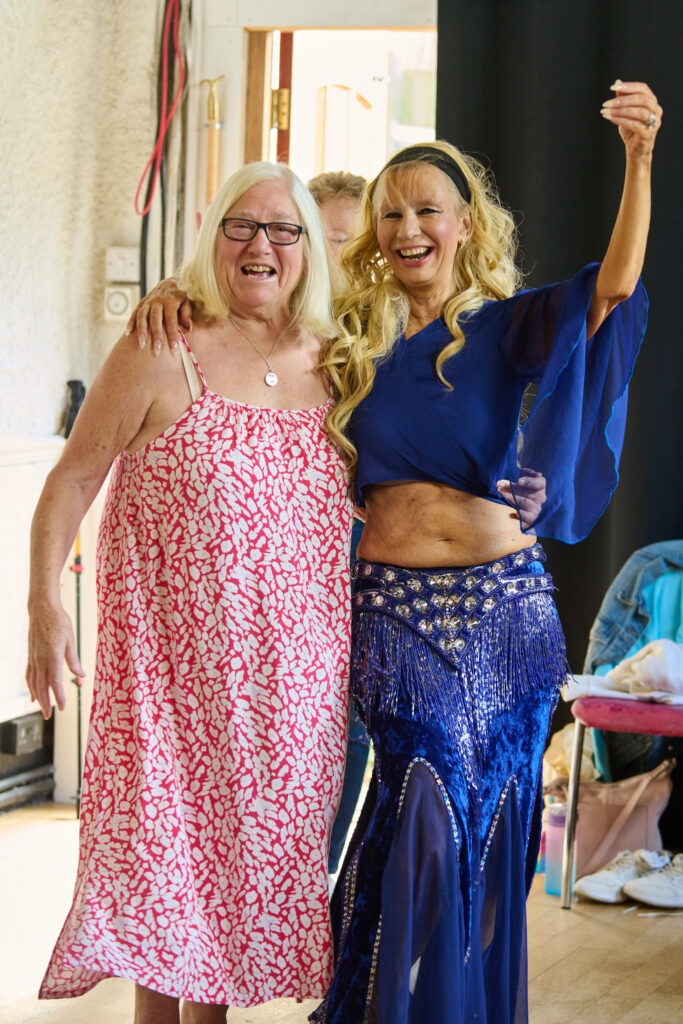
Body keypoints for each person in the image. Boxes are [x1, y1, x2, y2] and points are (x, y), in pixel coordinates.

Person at [133, 79, 661, 1023]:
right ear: (373, 235)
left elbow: (614, 287)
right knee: (417, 811)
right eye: (391, 214)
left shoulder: (508, 324)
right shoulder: (341, 340)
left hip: (506, 612)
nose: (408, 227)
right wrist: (179, 293)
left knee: (488, 833)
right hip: (393, 612)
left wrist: (639, 158)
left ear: (464, 225)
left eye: (428, 210)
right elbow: (247, 307)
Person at [25, 161, 354, 1024]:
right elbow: (71, 479)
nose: (260, 244)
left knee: (238, 902)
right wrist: (43, 607)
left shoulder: (341, 363)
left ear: (308, 249)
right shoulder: (161, 346)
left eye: (282, 229)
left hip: (290, 697)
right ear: (212, 238)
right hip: (167, 688)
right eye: (240, 225)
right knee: (163, 894)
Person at [308, 170, 371, 876]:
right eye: (333, 238)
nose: (347, 258)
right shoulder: (272, 320)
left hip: (362, 540)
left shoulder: (382, 326)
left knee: (348, 719)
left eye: (359, 243)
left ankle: (315, 876)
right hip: (287, 546)